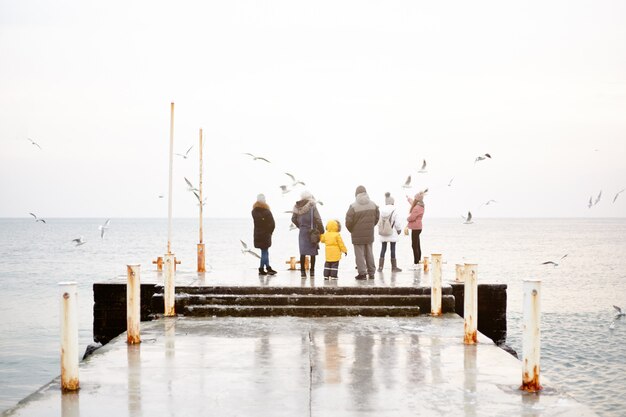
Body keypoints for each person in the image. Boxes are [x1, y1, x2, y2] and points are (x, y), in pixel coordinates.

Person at [345, 185, 379, 280]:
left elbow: (348, 221)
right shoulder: (373, 205)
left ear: (356, 194)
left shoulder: (353, 206)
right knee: (369, 253)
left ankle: (362, 274)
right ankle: (371, 273)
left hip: (357, 234)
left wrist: (352, 230)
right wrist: (371, 226)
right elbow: (377, 218)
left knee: (359, 255)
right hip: (369, 233)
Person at [291, 191, 324, 278]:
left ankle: (303, 272)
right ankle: (312, 271)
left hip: (302, 232)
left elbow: (293, 218)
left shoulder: (297, 206)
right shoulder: (312, 205)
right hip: (312, 231)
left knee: (303, 252)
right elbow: (318, 219)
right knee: (312, 252)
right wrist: (322, 230)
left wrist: (300, 226)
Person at [252, 193, 276, 276]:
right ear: (264, 200)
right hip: (265, 234)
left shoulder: (254, 211)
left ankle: (267, 267)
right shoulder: (267, 211)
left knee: (265, 251)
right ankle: (262, 269)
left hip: (258, 234)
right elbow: (272, 224)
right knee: (264, 252)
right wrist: (270, 232)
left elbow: (260, 221)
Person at [377, 192, 403, 272]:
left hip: (384, 232)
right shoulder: (395, 210)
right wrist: (399, 230)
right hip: (392, 232)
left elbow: (379, 222)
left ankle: (380, 268)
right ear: (392, 202)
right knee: (392, 249)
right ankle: (394, 268)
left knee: (383, 249)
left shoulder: (381, 210)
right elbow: (397, 223)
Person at [406, 191, 425, 270]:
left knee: (414, 245)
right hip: (418, 227)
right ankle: (419, 261)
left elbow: (412, 218)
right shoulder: (420, 206)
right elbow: (412, 203)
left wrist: (407, 219)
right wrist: (408, 199)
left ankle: (416, 263)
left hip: (415, 228)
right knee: (417, 245)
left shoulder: (416, 208)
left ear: (417, 200)